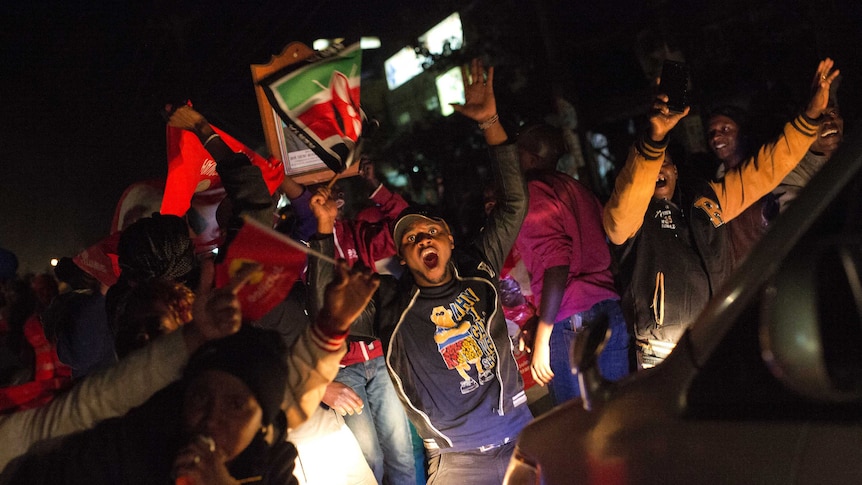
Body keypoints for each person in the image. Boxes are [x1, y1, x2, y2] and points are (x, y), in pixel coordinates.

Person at [308, 58, 532, 485]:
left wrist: (491, 124)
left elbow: (514, 204)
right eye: (411, 239)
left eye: (432, 232)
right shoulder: (389, 303)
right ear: (402, 256)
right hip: (458, 463)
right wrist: (322, 229)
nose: (424, 239)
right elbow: (326, 310)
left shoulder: (478, 267)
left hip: (523, 437)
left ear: (449, 240)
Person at [603, 58, 838, 368]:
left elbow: (766, 169)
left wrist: (809, 118)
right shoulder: (630, 220)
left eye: (667, 162)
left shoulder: (704, 201)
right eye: (651, 164)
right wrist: (655, 138)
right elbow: (624, 207)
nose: (660, 168)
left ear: (677, 170)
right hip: (665, 355)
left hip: (720, 339)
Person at [283, 159, 417, 485]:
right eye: (323, 194)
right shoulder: (296, 246)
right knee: (368, 458)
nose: (334, 200)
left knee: (401, 452)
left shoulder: (358, 233)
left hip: (380, 358)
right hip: (340, 368)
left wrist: (376, 186)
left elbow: (407, 225)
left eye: (338, 193)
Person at [513, 123, 630, 404]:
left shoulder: (534, 193)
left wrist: (542, 338)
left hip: (571, 321)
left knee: (577, 426)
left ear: (529, 157)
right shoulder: (577, 189)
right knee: (616, 415)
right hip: (608, 310)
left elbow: (557, 264)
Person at [767, 78, 843, 218]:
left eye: (832, 112)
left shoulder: (853, 151)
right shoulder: (790, 175)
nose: (827, 121)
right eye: (817, 118)